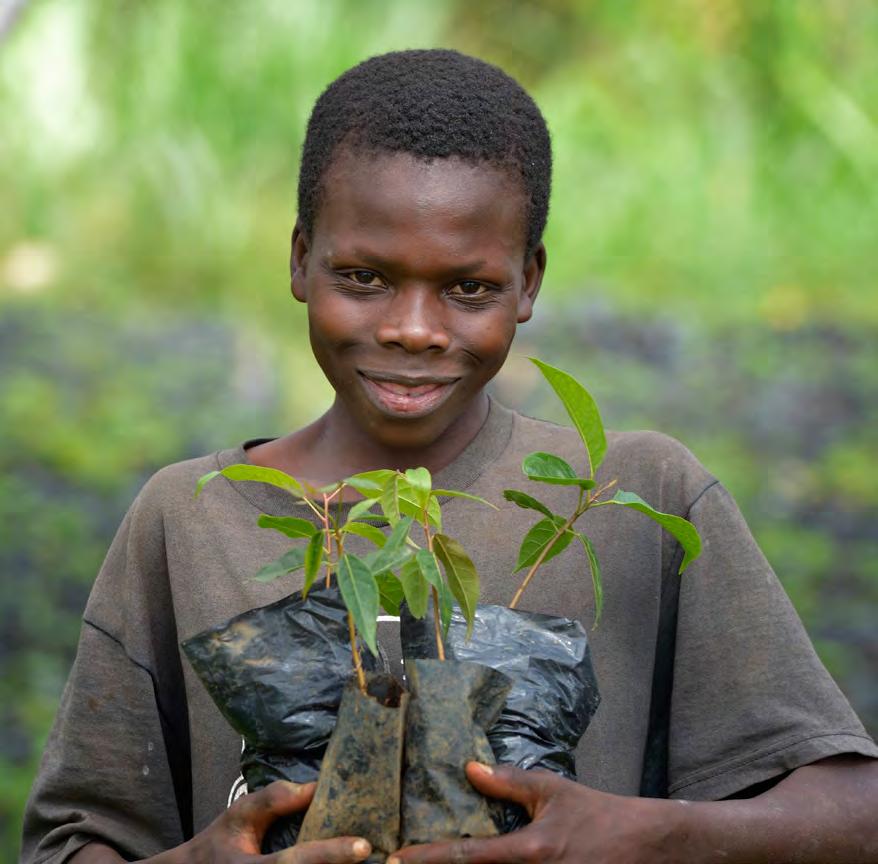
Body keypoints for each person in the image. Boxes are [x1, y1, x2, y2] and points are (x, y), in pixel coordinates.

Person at [21, 49, 878, 864]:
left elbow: (853, 816)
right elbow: (71, 838)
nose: (414, 328)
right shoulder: (192, 516)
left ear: (529, 282)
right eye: (363, 276)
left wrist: (644, 836)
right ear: (298, 260)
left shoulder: (637, 497)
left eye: (468, 289)